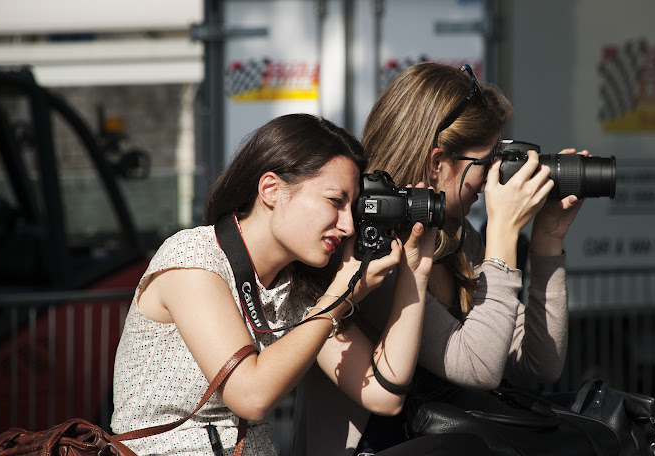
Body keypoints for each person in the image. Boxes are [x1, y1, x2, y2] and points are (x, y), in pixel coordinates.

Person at [110, 113, 475, 455]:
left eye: (353, 208)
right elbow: (251, 395)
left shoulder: (295, 291)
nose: (347, 225)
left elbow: (384, 393)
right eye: (335, 202)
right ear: (271, 189)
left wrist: (415, 274)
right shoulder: (193, 259)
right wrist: (336, 298)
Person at [293, 62, 587, 455]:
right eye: (484, 163)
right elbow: (476, 368)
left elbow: (540, 363)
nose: (491, 179)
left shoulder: (460, 239)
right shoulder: (375, 250)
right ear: (437, 163)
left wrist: (547, 240)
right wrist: (503, 234)